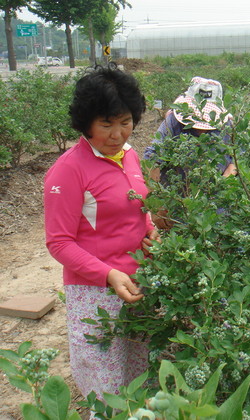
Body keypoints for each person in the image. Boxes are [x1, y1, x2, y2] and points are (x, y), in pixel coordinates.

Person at [43, 63, 160, 401]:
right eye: (106, 124)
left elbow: (140, 208)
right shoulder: (68, 171)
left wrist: (152, 232)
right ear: (86, 123)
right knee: (107, 388)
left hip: (140, 283)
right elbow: (59, 242)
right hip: (94, 293)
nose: (117, 135)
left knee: (142, 379)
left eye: (125, 123)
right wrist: (108, 274)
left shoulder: (131, 156)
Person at [144, 77, 237, 182]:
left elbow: (239, 156)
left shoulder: (227, 126)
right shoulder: (174, 121)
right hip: (177, 191)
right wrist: (155, 190)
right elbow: (153, 155)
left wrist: (225, 179)